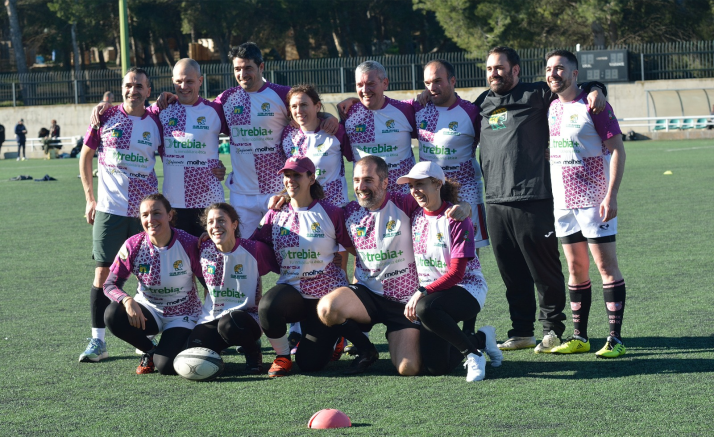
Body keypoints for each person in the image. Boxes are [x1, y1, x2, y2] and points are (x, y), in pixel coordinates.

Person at [473, 46, 606, 353]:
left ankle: (552, 330)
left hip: (535, 197)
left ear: (516, 70)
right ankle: (521, 331)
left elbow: (574, 89)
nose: (494, 73)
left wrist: (598, 89)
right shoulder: (483, 102)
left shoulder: (536, 94)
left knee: (543, 270)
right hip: (495, 201)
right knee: (511, 274)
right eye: (490, 68)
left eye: (500, 68)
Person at [316, 155, 471, 376]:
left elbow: (439, 204)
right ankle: (366, 349)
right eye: (357, 180)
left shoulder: (404, 203)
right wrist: (284, 198)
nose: (361, 187)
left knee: (408, 368)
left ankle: (469, 341)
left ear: (385, 182)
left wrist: (464, 207)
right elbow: (313, 210)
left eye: (368, 180)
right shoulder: (348, 212)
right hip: (367, 295)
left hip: (404, 304)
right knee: (327, 309)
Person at [543, 50, 627, 358]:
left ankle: (615, 338)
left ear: (575, 74)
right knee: (576, 268)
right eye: (550, 68)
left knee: (606, 267)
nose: (554, 73)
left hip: (595, 201)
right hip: (563, 204)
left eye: (561, 68)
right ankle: (580, 337)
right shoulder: (551, 107)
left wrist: (611, 194)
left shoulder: (595, 105)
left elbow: (618, 150)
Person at [78, 67, 163, 363]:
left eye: (139, 85)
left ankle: (144, 335)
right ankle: (97, 341)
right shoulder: (106, 116)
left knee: (147, 274)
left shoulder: (157, 121)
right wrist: (90, 198)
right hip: (109, 209)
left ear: (148, 91)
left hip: (145, 214)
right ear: (122, 88)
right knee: (103, 274)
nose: (133, 90)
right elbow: (86, 156)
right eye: (129, 85)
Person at [212, 42, 339, 237]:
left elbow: (305, 113)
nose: (242, 74)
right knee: (246, 252)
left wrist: (327, 117)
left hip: (280, 191)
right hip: (241, 194)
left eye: (248, 68)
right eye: (237, 69)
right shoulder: (226, 98)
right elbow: (201, 118)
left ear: (261, 67)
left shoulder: (282, 94)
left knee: (287, 249)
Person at [398, 161, 502, 381]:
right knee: (437, 367)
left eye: (420, 184)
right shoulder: (415, 212)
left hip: (467, 289)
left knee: (425, 307)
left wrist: (421, 291)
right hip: (434, 296)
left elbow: (456, 274)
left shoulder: (456, 219)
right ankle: (482, 339)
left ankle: (473, 354)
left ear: (437, 184)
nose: (414, 191)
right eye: (411, 186)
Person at [251, 156, 353, 377]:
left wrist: (351, 279)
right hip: (293, 291)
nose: (290, 180)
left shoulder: (331, 212)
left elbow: (352, 246)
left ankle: (336, 336)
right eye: (287, 175)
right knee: (268, 306)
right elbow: (254, 246)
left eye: (297, 175)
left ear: (311, 178)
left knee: (310, 364)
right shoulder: (275, 213)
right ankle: (283, 357)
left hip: (325, 297)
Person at [103, 194, 203, 374]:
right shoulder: (133, 245)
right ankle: (149, 349)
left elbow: (210, 284)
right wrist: (127, 300)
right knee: (112, 314)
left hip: (183, 314)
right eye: (145, 215)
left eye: (157, 213)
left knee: (165, 366)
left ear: (170, 215)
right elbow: (109, 285)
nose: (151, 220)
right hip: (149, 310)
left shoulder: (189, 243)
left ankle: (175, 345)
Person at [186, 202, 279, 373]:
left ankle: (253, 352)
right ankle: (219, 349)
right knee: (193, 350)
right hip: (211, 317)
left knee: (230, 324)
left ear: (234, 224)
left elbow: (283, 265)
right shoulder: (202, 248)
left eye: (221, 221)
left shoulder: (254, 249)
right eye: (211, 222)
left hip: (246, 317)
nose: (216, 226)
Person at [338, 61, 417, 193]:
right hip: (368, 197)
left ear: (385, 83)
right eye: (359, 85)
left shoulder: (406, 110)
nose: (364, 90)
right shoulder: (348, 113)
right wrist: (327, 116)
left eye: (371, 84)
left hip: (404, 196)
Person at [281, 84, 352, 207]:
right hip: (303, 209)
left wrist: (353, 100)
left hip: (335, 207)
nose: (298, 111)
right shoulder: (287, 133)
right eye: (294, 106)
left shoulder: (335, 130)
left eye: (304, 105)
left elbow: (355, 157)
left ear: (317, 106)